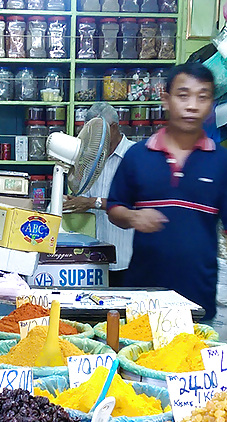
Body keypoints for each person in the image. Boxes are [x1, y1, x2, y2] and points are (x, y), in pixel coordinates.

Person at [107, 62, 227, 325]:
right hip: (143, 297)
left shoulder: (223, 163)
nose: (192, 105)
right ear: (166, 100)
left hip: (197, 304)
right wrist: (134, 218)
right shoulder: (137, 156)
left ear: (211, 104)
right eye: (183, 95)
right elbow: (115, 208)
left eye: (202, 97)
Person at [62, 103, 135, 286]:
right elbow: (83, 193)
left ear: (114, 127)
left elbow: (136, 203)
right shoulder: (88, 157)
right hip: (91, 259)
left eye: (99, 132)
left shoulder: (134, 156)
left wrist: (92, 202)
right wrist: (74, 202)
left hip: (125, 259)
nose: (95, 139)